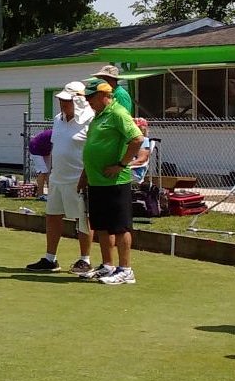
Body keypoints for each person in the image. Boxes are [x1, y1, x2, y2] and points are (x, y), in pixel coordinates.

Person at [77, 78, 144, 285]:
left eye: (90, 97)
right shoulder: (97, 117)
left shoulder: (118, 113)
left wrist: (121, 165)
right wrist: (84, 176)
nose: (88, 101)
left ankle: (126, 270)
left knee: (120, 226)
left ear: (103, 95)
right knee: (102, 226)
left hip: (115, 182)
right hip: (96, 181)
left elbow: (137, 139)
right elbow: (91, 149)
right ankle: (108, 266)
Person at [27, 81, 95, 274]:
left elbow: (92, 150)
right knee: (52, 216)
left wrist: (86, 177)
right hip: (58, 177)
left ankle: (85, 260)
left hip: (79, 178)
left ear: (79, 100)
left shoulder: (91, 119)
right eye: (61, 100)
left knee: (83, 219)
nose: (62, 104)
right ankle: (51, 259)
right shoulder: (58, 119)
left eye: (67, 100)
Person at [28, 129, 52, 199]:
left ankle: (51, 194)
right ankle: (40, 195)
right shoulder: (57, 134)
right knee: (42, 171)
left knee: (48, 171)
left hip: (45, 150)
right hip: (35, 147)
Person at [129, 118, 151, 183]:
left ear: (143, 130)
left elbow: (141, 160)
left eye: (137, 128)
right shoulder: (128, 140)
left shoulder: (144, 141)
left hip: (134, 172)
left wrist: (123, 165)